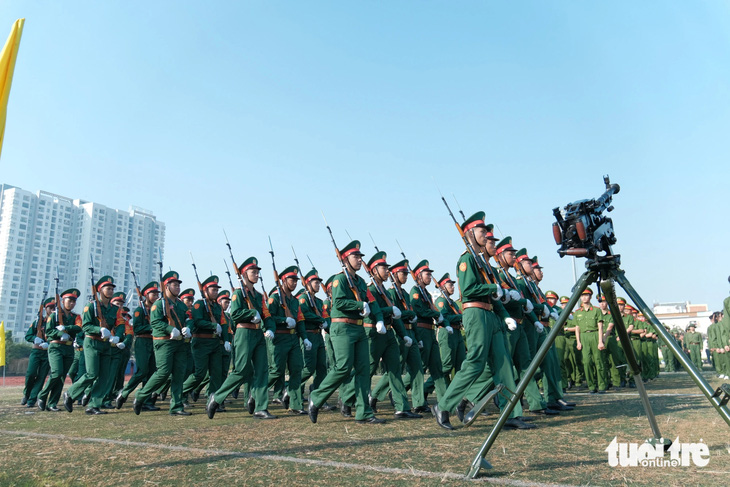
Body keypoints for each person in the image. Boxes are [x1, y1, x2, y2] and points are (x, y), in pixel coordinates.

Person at [433, 212, 533, 430]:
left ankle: (510, 413)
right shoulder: (466, 259)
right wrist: (491, 288)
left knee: (504, 363)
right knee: (475, 362)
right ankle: (444, 405)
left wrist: (505, 316)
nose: (486, 234)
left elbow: (495, 297)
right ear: (469, 234)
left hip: (491, 314)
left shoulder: (483, 263)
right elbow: (468, 290)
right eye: (482, 231)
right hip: (475, 313)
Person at [308, 240, 386, 424]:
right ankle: (316, 397)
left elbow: (372, 302)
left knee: (363, 369)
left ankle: (364, 413)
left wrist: (379, 318)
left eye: (360, 257)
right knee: (343, 368)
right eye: (355, 257)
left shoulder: (359, 282)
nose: (359, 260)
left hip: (358, 327)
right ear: (344, 259)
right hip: (342, 327)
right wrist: (360, 305)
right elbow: (340, 302)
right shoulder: (339, 279)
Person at [207, 257, 277, 420]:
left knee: (261, 371)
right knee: (241, 370)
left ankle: (261, 407)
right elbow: (236, 314)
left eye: (258, 272)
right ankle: (216, 398)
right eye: (253, 272)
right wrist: (252, 313)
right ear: (244, 274)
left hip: (258, 334)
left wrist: (271, 327)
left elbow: (266, 314)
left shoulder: (259, 296)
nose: (257, 275)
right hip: (244, 334)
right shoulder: (238, 293)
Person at [132, 271, 193, 416]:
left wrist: (188, 328)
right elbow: (155, 322)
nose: (178, 287)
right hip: (164, 342)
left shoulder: (181, 305)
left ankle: (177, 406)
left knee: (179, 374)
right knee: (163, 372)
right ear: (166, 287)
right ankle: (141, 396)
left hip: (180, 343)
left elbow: (189, 318)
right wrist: (169, 329)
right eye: (174, 285)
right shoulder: (159, 304)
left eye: (178, 285)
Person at [63, 276, 125, 414]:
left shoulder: (115, 309)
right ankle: (70, 393)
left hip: (106, 344)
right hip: (92, 342)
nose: (110, 291)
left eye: (112, 288)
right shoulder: (90, 306)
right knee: (92, 373)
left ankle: (94, 405)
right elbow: (86, 326)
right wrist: (99, 329)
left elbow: (121, 324)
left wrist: (117, 336)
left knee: (104, 376)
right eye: (107, 288)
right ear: (100, 290)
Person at [266, 265, 311, 415]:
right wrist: (283, 320)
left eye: (296, 281)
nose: (295, 283)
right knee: (277, 371)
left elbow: (300, 321)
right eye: (292, 280)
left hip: (293, 338)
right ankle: (257, 392)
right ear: (284, 281)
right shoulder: (275, 298)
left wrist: (304, 338)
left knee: (296, 370)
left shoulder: (294, 301)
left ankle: (296, 404)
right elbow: (269, 317)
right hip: (279, 337)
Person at [115, 281, 160, 411]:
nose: (156, 296)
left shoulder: (157, 309)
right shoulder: (140, 310)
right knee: (142, 371)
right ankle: (123, 393)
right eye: (153, 293)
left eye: (157, 293)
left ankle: (145, 400)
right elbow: (137, 328)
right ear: (146, 295)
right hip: (142, 342)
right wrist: (152, 327)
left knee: (151, 373)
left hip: (154, 342)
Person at [37, 289, 82, 411]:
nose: (72, 303)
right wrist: (59, 333)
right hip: (56, 347)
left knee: (61, 376)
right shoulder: (54, 315)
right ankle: (42, 395)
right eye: (69, 301)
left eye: (74, 301)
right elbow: (49, 331)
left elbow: (79, 327)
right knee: (56, 373)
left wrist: (66, 328)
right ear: (62, 301)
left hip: (68, 348)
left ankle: (52, 404)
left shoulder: (76, 316)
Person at [22, 298, 55, 407]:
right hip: (36, 351)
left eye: (54, 308)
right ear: (46, 309)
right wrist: (35, 339)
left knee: (41, 377)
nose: (52, 310)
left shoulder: (57, 323)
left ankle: (32, 399)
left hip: (48, 353)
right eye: (50, 308)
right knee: (31, 374)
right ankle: (27, 394)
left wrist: (49, 344)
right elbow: (28, 336)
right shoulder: (38, 322)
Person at [574, 288, 607, 394]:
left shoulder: (597, 310)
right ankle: (591, 386)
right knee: (587, 362)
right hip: (584, 337)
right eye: (582, 295)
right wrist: (578, 342)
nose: (584, 297)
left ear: (590, 297)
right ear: (580, 297)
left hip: (595, 335)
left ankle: (601, 386)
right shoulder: (577, 312)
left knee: (599, 361)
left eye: (587, 295)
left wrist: (600, 341)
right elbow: (577, 328)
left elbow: (600, 326)